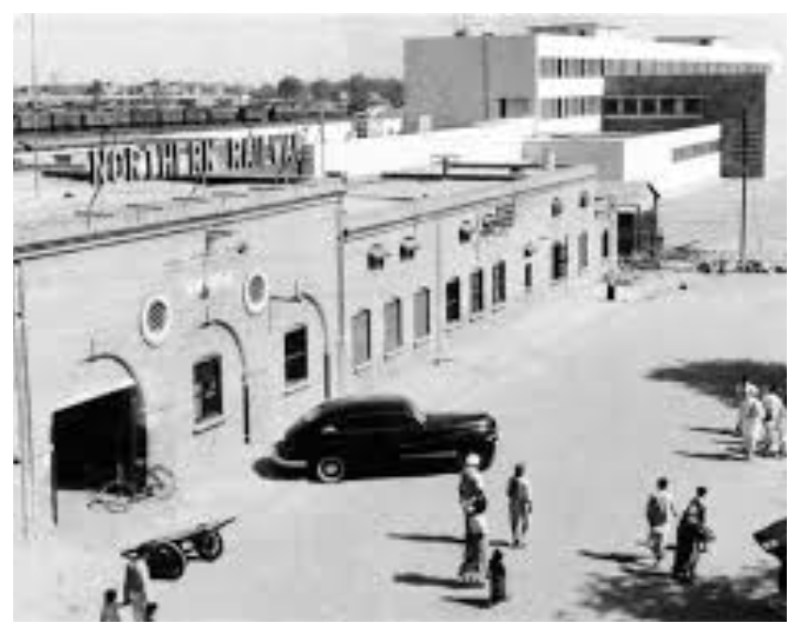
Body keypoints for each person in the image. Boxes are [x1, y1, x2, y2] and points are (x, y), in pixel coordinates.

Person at [672, 487, 712, 584]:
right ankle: (687, 574)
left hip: (684, 529)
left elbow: (688, 517)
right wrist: (703, 533)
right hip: (690, 530)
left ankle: (680, 572)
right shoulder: (699, 505)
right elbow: (696, 521)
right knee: (692, 553)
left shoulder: (693, 502)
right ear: (705, 494)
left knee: (684, 553)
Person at [645, 477, 678, 566]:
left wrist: (649, 520)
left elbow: (648, 509)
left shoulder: (653, 495)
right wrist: (675, 515)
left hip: (656, 522)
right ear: (666, 486)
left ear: (658, 485)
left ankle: (658, 557)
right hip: (666, 522)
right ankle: (659, 556)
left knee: (652, 543)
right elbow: (673, 508)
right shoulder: (669, 495)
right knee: (659, 543)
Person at [459, 487, 489, 586]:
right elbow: (482, 533)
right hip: (479, 540)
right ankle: (479, 580)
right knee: (480, 560)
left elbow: (465, 507)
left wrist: (464, 497)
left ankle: (469, 578)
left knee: (472, 560)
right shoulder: (479, 518)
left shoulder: (472, 515)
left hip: (472, 539)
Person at [506, 463, 533, 548]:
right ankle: (515, 539)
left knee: (526, 521)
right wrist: (514, 491)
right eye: (518, 469)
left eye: (521, 469)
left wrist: (530, 503)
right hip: (514, 501)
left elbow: (529, 493)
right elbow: (508, 492)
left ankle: (521, 538)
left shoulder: (526, 480)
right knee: (515, 521)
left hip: (524, 502)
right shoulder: (512, 479)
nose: (520, 471)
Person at [740, 385, 766, 459]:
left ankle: (748, 451)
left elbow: (741, 413)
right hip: (755, 421)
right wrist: (762, 419)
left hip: (746, 421)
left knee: (747, 435)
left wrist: (740, 421)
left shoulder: (744, 402)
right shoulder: (758, 402)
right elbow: (761, 413)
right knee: (753, 436)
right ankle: (750, 452)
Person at [123, 555, 150, 622]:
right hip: (136, 592)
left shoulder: (139, 568)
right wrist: (126, 597)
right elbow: (127, 583)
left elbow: (128, 583)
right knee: (138, 612)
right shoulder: (131, 569)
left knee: (140, 611)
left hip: (139, 591)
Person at [762, 385, 786, 458]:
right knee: (776, 434)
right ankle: (781, 451)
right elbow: (781, 409)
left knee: (768, 433)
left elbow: (763, 406)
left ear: (770, 390)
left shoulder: (766, 397)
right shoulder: (778, 399)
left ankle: (768, 449)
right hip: (775, 418)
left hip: (767, 417)